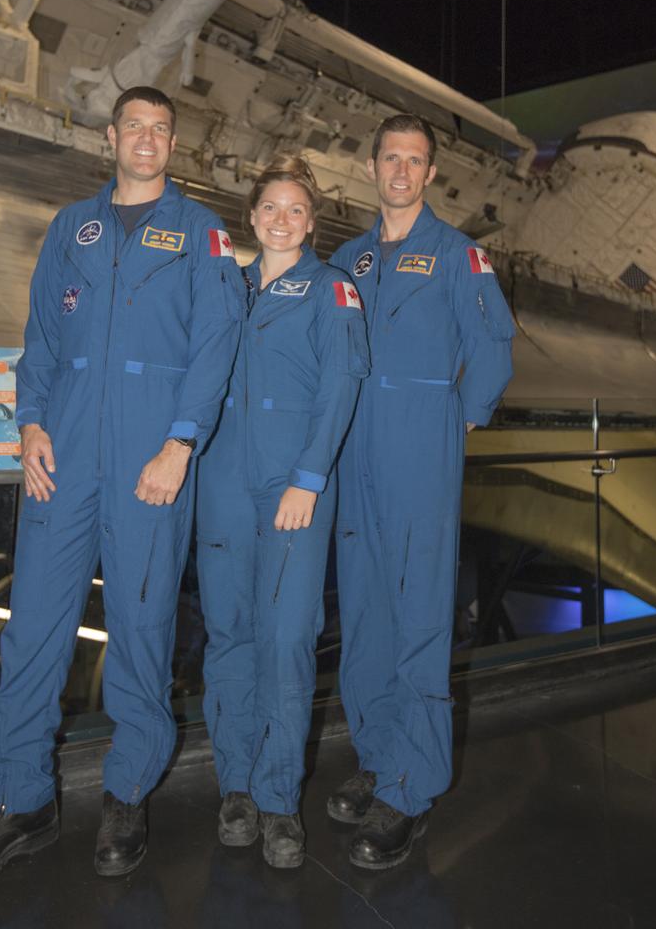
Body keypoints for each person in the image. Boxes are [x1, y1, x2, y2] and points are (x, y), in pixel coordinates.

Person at [0, 86, 244, 890]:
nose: (146, 140)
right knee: (32, 628)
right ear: (111, 138)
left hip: (150, 454)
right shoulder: (73, 226)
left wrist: (181, 445)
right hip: (61, 454)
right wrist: (31, 424)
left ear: (173, 145)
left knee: (140, 628)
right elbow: (39, 336)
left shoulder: (202, 233)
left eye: (160, 130)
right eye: (133, 127)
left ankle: (128, 792)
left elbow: (216, 346)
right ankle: (19, 802)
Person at [328, 113, 514, 870]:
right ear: (371, 168)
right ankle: (375, 754)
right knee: (365, 613)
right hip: (353, 455)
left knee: (418, 619)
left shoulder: (458, 257)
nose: (401, 171)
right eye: (390, 159)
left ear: (429, 173)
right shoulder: (347, 259)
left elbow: (492, 353)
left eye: (415, 161)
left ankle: (410, 785)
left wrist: (456, 424)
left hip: (417, 451)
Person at [196, 155, 369, 869]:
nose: (281, 219)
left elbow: (340, 386)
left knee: (288, 638)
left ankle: (275, 798)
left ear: (312, 222)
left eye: (296, 209)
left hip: (291, 486)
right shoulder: (225, 287)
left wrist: (308, 478)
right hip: (221, 482)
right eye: (270, 207)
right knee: (228, 633)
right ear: (251, 215)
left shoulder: (332, 291)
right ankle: (233, 784)